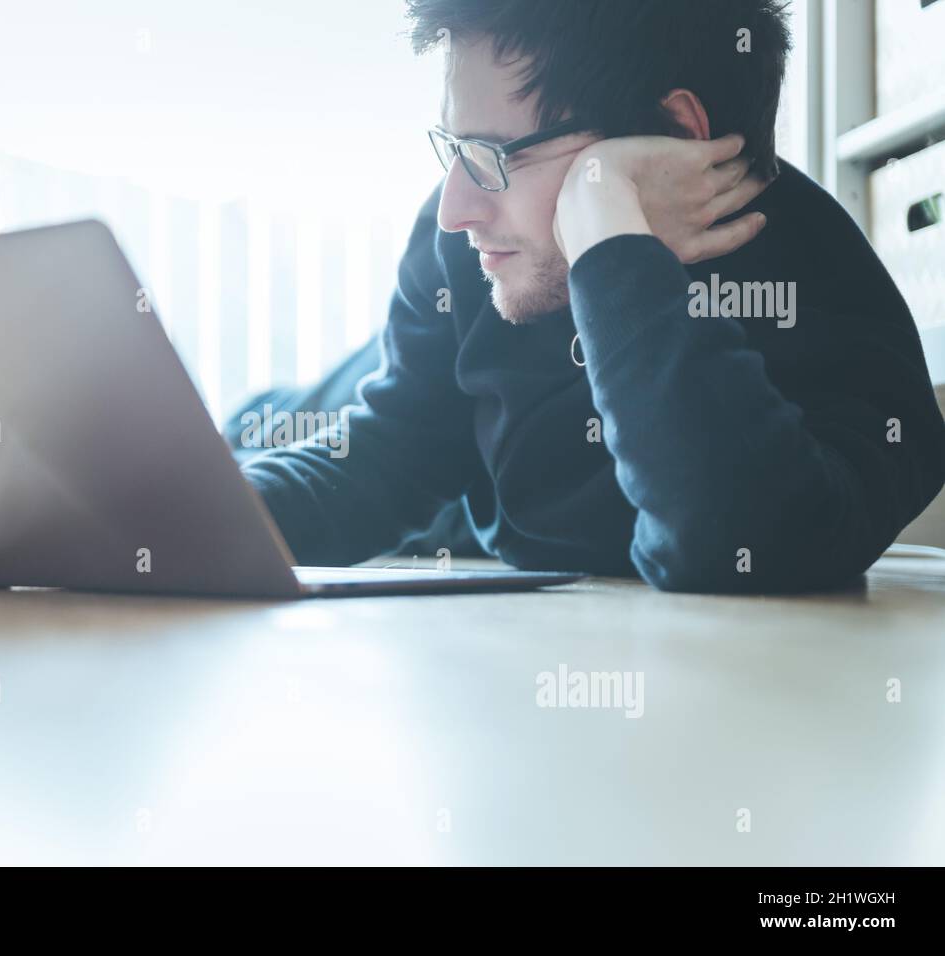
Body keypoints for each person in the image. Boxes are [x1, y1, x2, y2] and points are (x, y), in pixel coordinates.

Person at [236, 0, 945, 593]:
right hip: (407, 468)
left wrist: (610, 230)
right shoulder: (467, 241)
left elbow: (735, 542)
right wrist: (207, 515)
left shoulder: (832, 308)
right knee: (260, 425)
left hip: (479, 519)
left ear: (671, 136)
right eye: (455, 148)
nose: (455, 209)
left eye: (496, 155)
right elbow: (394, 448)